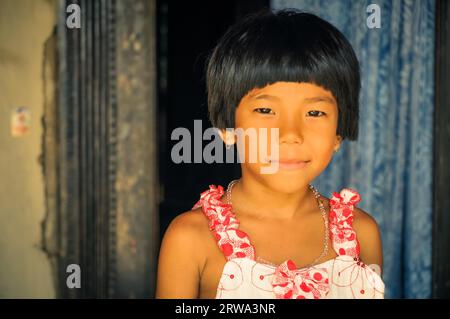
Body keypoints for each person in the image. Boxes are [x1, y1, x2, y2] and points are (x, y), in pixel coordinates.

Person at [156, 8, 385, 299]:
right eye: (265, 110)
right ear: (227, 127)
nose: (291, 134)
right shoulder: (190, 239)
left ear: (338, 133)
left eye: (315, 112)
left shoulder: (361, 233)